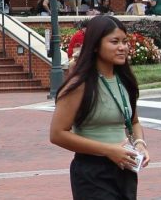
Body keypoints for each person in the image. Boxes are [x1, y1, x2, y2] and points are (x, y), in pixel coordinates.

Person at [50, 14, 149, 199]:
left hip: (125, 169)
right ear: (95, 46)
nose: (122, 47)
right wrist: (108, 150)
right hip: (92, 172)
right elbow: (57, 134)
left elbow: (133, 121)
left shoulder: (124, 81)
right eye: (114, 42)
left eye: (125, 42)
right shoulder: (79, 85)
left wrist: (140, 144)